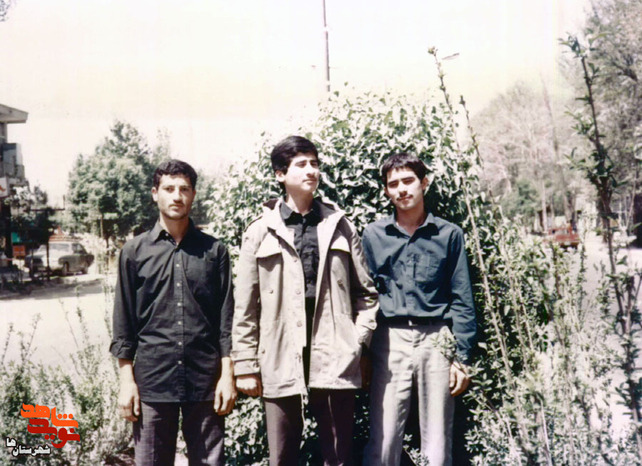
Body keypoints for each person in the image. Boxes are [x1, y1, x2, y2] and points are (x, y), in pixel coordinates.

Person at [232, 135, 378, 465]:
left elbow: (366, 294)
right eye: (301, 164)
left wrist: (357, 342)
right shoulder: (260, 231)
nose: (311, 170)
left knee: (338, 456)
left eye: (314, 163)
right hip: (280, 355)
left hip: (335, 354)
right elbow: (245, 307)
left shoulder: (340, 226)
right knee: (282, 455)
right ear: (280, 174)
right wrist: (245, 365)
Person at [110, 159, 236, 466]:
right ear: (155, 194)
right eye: (169, 189)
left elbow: (225, 321)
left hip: (205, 382)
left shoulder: (214, 251)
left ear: (193, 195)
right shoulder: (134, 252)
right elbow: (124, 323)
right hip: (153, 382)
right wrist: (127, 382)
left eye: (184, 189)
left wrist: (227, 376)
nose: (177, 196)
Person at [362, 153, 477, 466]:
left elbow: (462, 297)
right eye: (393, 184)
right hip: (389, 340)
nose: (402, 189)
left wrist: (461, 358)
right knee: (383, 438)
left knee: (437, 439)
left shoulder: (449, 235)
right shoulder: (373, 236)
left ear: (424, 183)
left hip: (437, 339)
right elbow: (364, 297)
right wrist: (364, 352)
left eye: (408, 180)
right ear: (386, 191)